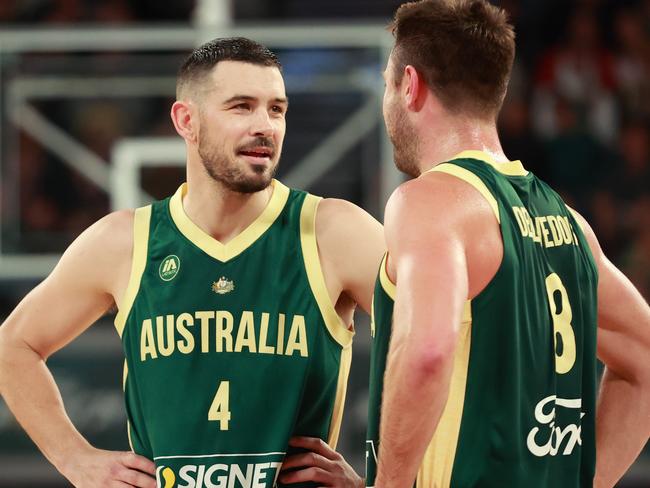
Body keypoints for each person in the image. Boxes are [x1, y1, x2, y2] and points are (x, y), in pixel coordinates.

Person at [0, 37, 381, 488]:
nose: (265, 126)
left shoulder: (333, 231)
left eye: (276, 109)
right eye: (242, 106)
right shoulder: (124, 241)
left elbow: (439, 347)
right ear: (187, 120)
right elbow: (12, 347)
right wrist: (76, 460)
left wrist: (383, 481)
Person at [366, 1, 650, 487]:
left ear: (409, 86)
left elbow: (428, 351)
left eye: (388, 84)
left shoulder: (429, 203)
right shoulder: (570, 224)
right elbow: (644, 360)